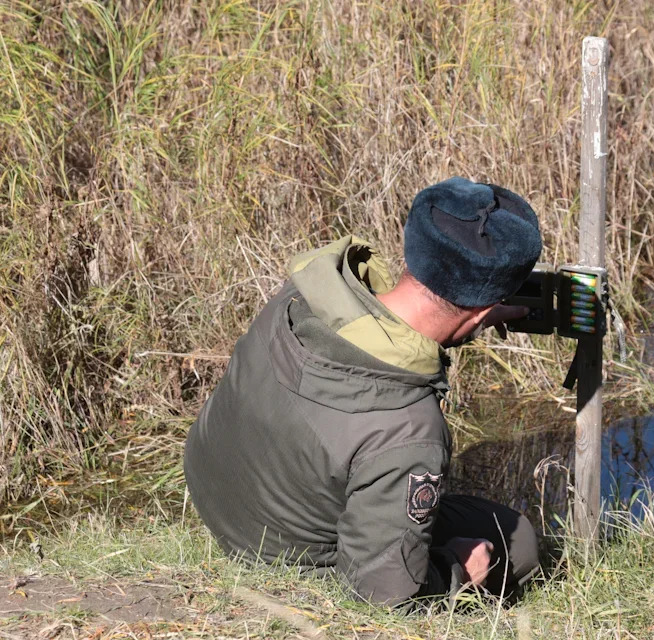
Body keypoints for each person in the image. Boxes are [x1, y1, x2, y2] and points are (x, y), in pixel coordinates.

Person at [183, 176, 543, 606]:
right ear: (483, 309)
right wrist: (456, 570)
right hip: (286, 558)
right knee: (514, 543)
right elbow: (384, 596)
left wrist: (472, 311)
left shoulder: (306, 294)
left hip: (223, 499)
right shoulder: (409, 429)